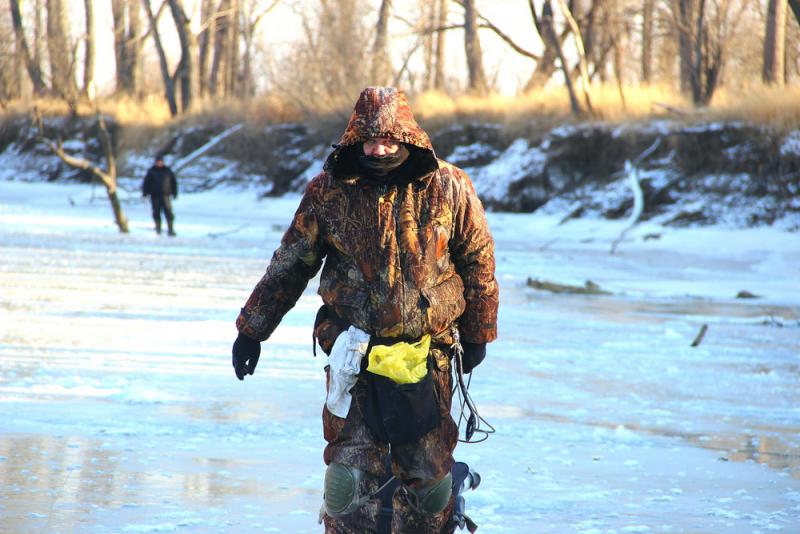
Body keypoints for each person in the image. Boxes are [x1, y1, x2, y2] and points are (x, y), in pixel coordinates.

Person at [231, 86, 498, 533]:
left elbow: (478, 261)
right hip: (351, 352)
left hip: (426, 356)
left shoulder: (449, 186)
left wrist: (477, 334)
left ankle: (451, 489)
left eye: (389, 140)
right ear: (354, 139)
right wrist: (252, 330)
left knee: (427, 488)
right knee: (346, 487)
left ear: (409, 138)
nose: (378, 149)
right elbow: (291, 264)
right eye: (370, 141)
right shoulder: (329, 191)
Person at [142, 156, 178, 236]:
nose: (159, 163)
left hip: (165, 195)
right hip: (155, 196)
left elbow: (173, 182)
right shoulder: (151, 171)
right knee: (156, 212)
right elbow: (146, 183)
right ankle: (158, 229)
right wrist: (145, 193)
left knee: (168, 212)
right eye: (158, 162)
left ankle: (170, 229)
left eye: (160, 161)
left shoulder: (167, 171)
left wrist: (174, 193)